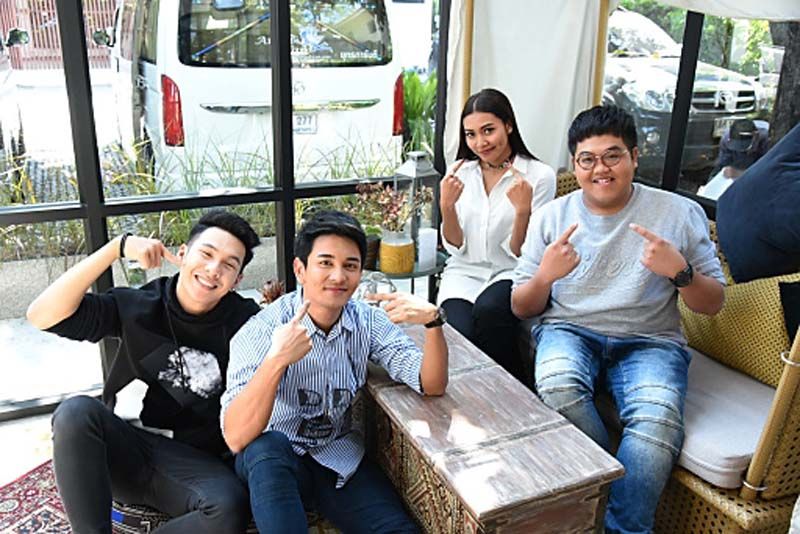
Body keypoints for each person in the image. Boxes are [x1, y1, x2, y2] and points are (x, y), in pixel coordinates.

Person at [511, 105, 726, 534]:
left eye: (613, 156)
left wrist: (680, 272)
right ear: (575, 164)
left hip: (651, 339)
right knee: (557, 385)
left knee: (658, 420)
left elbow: (713, 303)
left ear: (634, 157)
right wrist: (545, 276)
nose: (600, 169)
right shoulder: (552, 216)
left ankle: (618, 525)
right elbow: (521, 307)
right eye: (587, 159)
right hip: (569, 329)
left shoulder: (679, 212)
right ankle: (611, 486)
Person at [26, 210, 262, 534]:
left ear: (237, 280)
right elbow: (41, 315)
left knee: (229, 507)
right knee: (75, 412)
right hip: (125, 449)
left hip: (194, 466)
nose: (213, 269)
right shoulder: (138, 304)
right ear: (182, 253)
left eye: (228, 265)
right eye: (206, 254)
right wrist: (115, 248)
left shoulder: (249, 323)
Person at [222, 210, 448, 534]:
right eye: (325, 263)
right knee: (266, 447)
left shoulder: (366, 321)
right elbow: (236, 437)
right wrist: (277, 359)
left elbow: (431, 383)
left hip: (337, 457)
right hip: (274, 464)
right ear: (300, 269)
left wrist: (433, 322)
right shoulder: (261, 330)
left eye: (350, 266)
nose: (339, 276)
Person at [438, 88, 556, 379]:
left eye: (488, 130)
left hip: (512, 271)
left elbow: (523, 253)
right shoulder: (458, 173)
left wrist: (523, 211)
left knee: (490, 311)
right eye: (471, 134)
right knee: (460, 334)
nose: (480, 142)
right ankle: (480, 394)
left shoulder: (539, 176)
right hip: (464, 272)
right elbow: (454, 245)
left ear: (509, 125)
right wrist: (446, 205)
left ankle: (516, 390)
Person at [698, 118, 769, 200]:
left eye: (744, 146)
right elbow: (721, 164)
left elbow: (766, 169)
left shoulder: (766, 139)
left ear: (755, 136)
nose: (740, 150)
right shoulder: (726, 139)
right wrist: (708, 187)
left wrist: (741, 174)